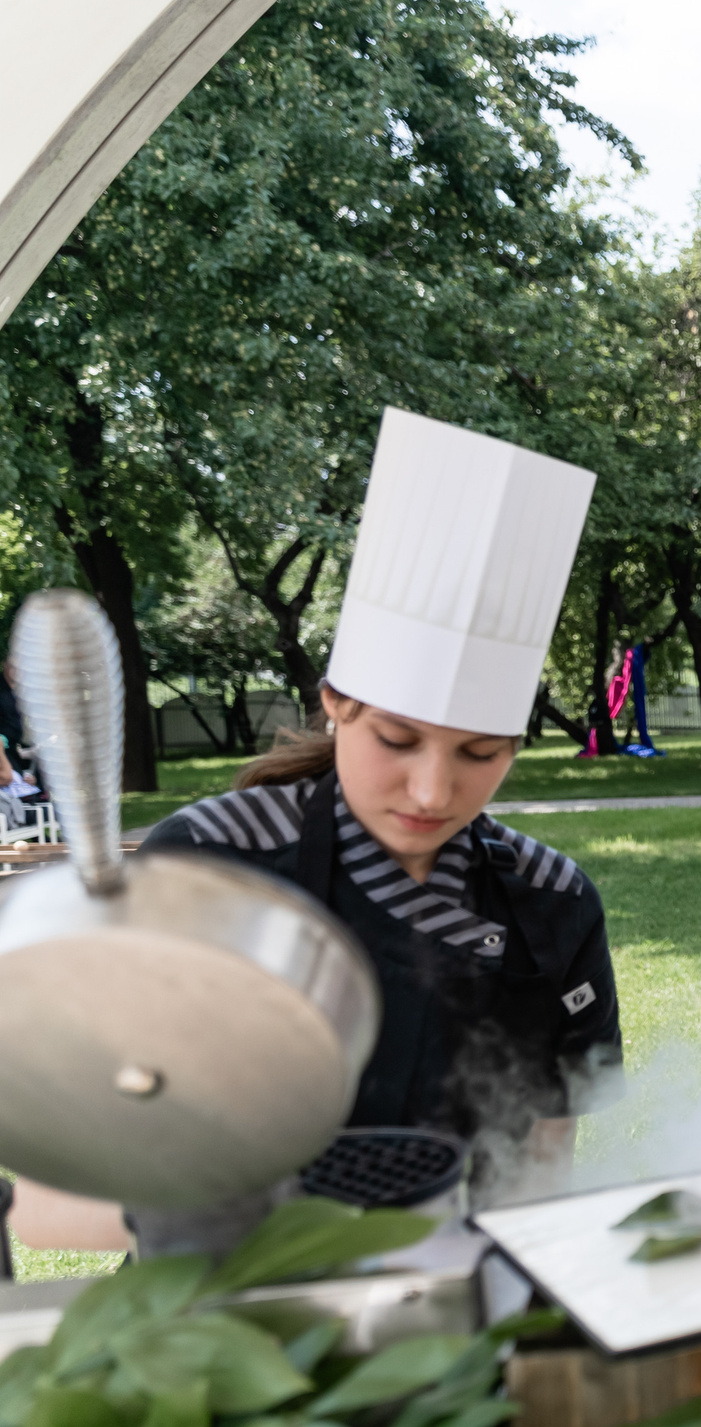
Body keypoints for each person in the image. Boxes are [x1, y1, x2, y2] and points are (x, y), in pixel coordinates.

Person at [13, 409, 618, 1254]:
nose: (433, 789)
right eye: (396, 741)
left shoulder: (551, 905)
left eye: (480, 753)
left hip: (449, 1312)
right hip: (218, 1311)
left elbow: (544, 1163)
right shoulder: (207, 866)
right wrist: (247, 1214)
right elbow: (40, 1201)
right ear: (335, 703)